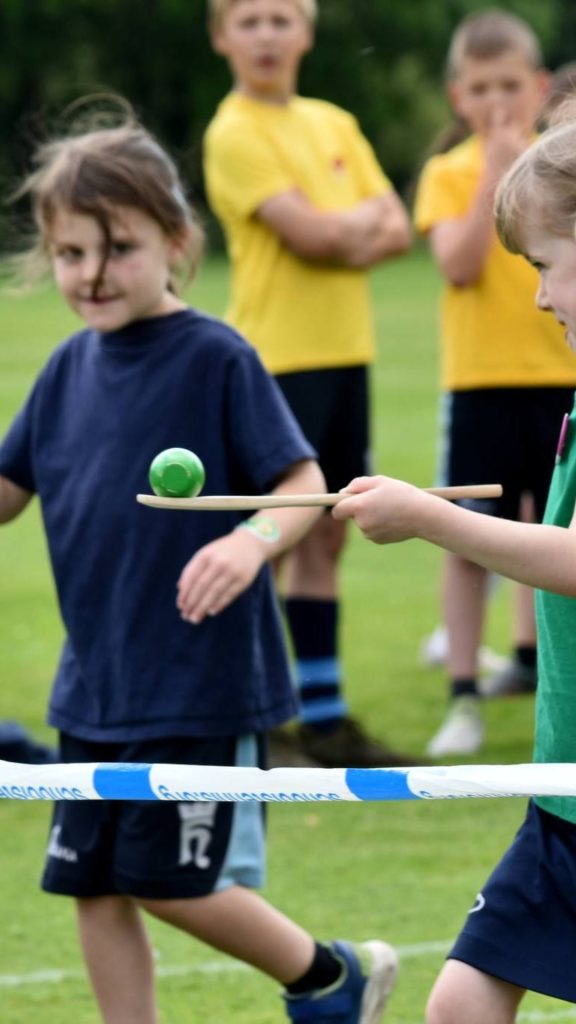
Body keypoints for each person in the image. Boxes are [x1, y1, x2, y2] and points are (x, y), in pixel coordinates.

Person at [0, 110, 399, 1024]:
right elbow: (8, 489)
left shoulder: (217, 356)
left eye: (119, 249)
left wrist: (247, 541)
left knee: (167, 881)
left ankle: (330, 979)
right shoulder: (65, 369)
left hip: (198, 681)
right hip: (93, 682)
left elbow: (302, 482)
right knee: (91, 884)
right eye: (70, 253)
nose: (92, 274)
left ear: (177, 241)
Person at [333, 110, 576, 1021]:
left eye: (546, 266)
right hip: (560, 797)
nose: (539, 299)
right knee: (461, 1006)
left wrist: (432, 518)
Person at [203, 0, 414, 769]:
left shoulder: (334, 122)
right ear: (221, 37)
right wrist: (349, 228)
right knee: (272, 534)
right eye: (249, 20)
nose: (266, 34)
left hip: (345, 354)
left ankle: (324, 723)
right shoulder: (233, 131)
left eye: (281, 18)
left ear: (307, 31)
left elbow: (398, 228)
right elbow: (314, 235)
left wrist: (342, 233)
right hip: (274, 362)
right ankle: (254, 724)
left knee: (329, 531)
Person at [413, 9, 576, 755]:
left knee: (548, 524)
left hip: (556, 382)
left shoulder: (560, 176)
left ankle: (531, 664)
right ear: (458, 97)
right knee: (474, 532)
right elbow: (458, 264)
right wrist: (493, 172)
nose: (496, 102)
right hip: (480, 381)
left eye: (510, 86)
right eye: (480, 89)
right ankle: (462, 693)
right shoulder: (449, 173)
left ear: (539, 87)